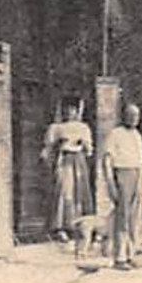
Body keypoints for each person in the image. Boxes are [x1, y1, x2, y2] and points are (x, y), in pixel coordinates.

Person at [100, 101, 142, 271]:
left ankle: (130, 254)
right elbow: (106, 161)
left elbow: (140, 162)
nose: (134, 118)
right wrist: (111, 184)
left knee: (134, 218)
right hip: (122, 174)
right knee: (122, 218)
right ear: (124, 116)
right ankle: (119, 257)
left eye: (137, 115)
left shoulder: (137, 135)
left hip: (136, 174)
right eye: (131, 115)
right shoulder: (115, 134)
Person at [41, 96, 94, 241]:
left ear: (77, 111)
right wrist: (58, 144)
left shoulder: (83, 128)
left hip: (78, 161)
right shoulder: (56, 128)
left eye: (73, 110)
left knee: (79, 191)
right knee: (64, 191)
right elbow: (47, 149)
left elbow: (89, 150)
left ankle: (78, 226)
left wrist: (83, 143)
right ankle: (60, 227)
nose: (70, 112)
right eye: (67, 109)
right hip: (63, 160)